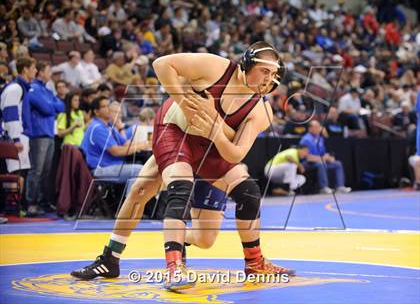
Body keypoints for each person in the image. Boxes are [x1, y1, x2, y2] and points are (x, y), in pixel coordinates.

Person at [71, 42, 295, 290]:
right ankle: (170, 266)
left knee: (244, 198)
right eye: (265, 71)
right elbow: (161, 64)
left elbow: (234, 153)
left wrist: (216, 130)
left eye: (274, 76)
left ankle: (254, 262)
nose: (269, 80)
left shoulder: (261, 110)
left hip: (210, 146)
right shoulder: (216, 67)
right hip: (175, 130)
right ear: (247, 64)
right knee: (175, 188)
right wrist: (183, 102)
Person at [80, 96, 150, 193]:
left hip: (113, 165)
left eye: (108, 105)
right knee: (141, 170)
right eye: (104, 106)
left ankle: (130, 204)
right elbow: (116, 151)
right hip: (101, 169)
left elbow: (125, 143)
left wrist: (146, 143)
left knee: (143, 167)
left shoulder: (108, 126)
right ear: (96, 112)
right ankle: (129, 206)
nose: (108, 108)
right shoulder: (97, 128)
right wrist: (139, 146)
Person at [26, 61, 65, 216]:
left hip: (48, 133)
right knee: (36, 170)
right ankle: (31, 203)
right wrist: (51, 106)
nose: (50, 74)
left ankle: (42, 202)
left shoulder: (47, 90)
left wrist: (51, 106)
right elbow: (47, 108)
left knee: (46, 171)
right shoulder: (33, 88)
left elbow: (61, 107)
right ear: (40, 72)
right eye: (48, 70)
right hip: (38, 134)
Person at [0, 57, 36, 175]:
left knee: (20, 176)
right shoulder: (15, 88)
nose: (36, 71)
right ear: (25, 69)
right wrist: (15, 139)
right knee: (15, 178)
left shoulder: (21, 88)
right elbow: (11, 115)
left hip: (21, 136)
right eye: (33, 68)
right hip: (14, 139)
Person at [299, 120, 352, 194]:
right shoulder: (305, 139)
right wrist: (323, 158)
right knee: (321, 164)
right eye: (316, 127)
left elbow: (323, 153)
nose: (319, 129)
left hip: (320, 161)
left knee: (337, 163)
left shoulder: (320, 138)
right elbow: (307, 157)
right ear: (310, 128)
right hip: (307, 163)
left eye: (319, 127)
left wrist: (329, 158)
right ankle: (323, 188)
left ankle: (340, 186)